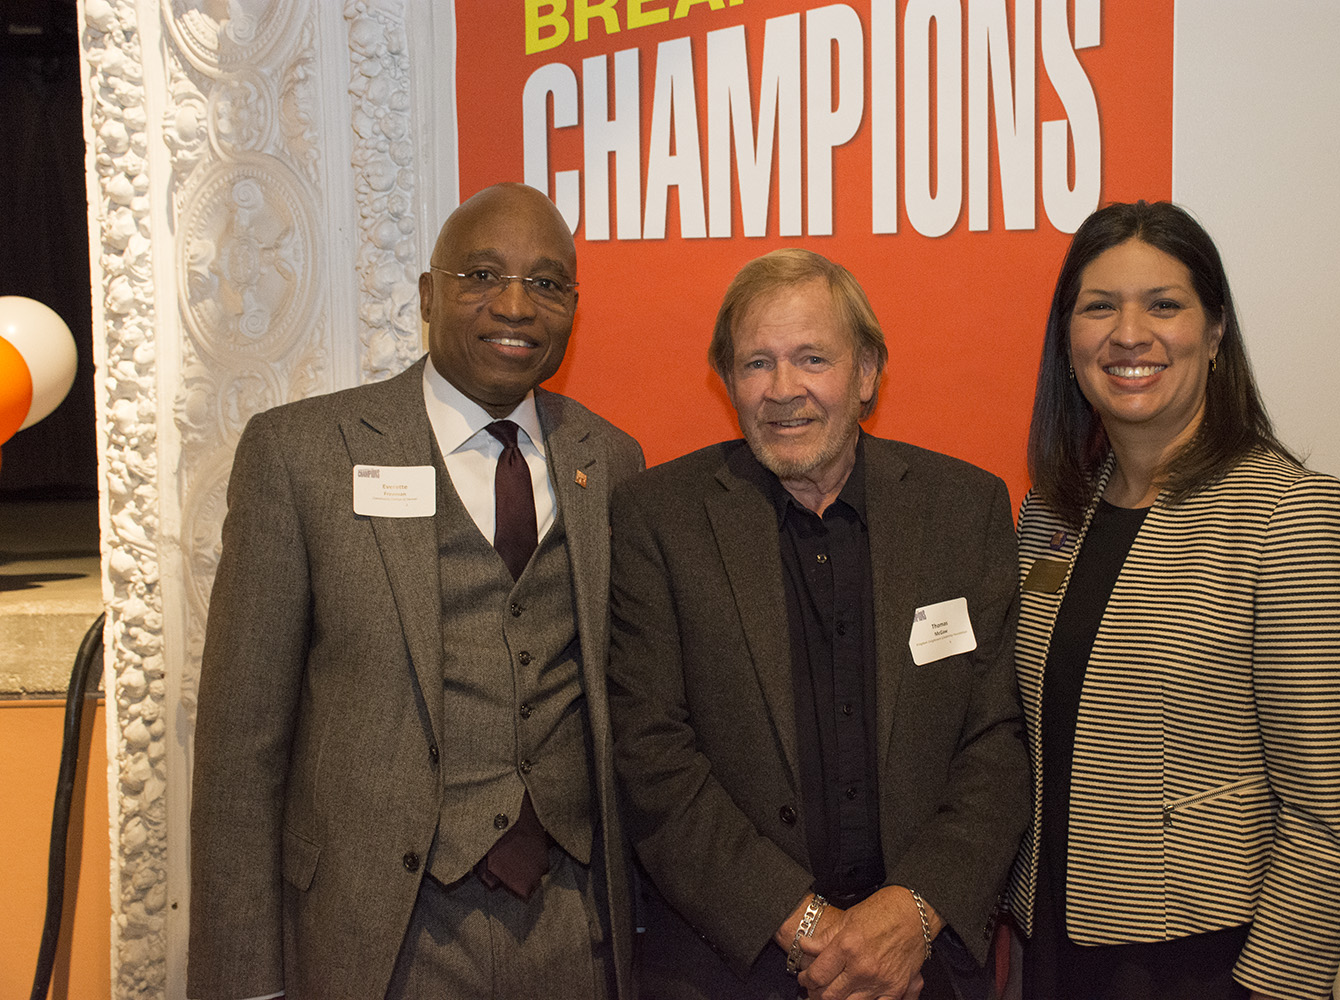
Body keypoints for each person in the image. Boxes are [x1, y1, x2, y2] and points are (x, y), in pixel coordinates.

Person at [187, 183, 644, 1000]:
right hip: (384, 934)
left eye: (545, 283)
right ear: (431, 295)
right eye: (481, 275)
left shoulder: (609, 458)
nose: (514, 305)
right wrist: (241, 982)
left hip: (577, 930)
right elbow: (239, 750)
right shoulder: (302, 455)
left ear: (573, 306)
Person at [607, 248, 1030, 1000]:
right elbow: (652, 757)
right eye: (756, 363)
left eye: (811, 358)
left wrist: (912, 915)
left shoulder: (964, 511)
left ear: (867, 374)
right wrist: (808, 927)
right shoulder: (658, 519)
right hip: (731, 969)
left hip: (924, 971)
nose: (783, 390)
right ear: (727, 381)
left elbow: (996, 741)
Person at [1006, 200, 1340, 1000]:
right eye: (1099, 306)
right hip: (1053, 947)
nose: (1129, 334)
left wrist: (1270, 990)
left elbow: (1328, 817)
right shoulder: (1050, 515)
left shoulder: (1291, 516)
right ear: (1066, 338)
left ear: (1214, 334)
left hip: (1203, 962)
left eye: (1164, 305)